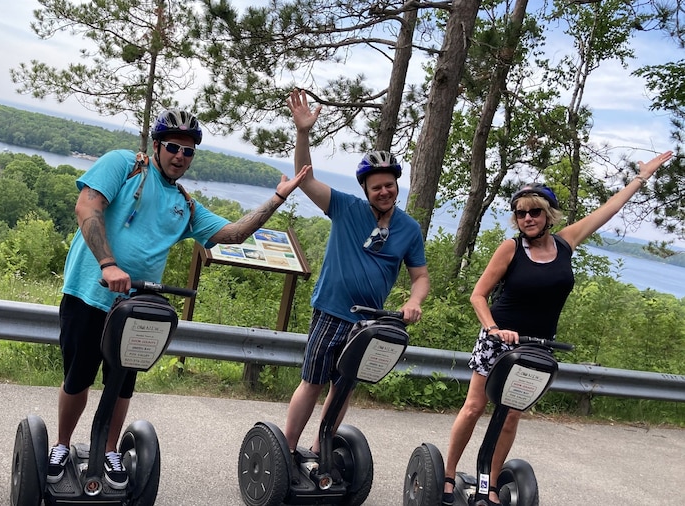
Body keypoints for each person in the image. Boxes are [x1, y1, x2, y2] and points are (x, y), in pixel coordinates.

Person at [48, 108, 310, 487]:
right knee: (78, 377)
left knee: (122, 383)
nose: (180, 157)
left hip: (136, 307)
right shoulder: (124, 165)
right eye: (173, 147)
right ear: (157, 145)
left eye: (188, 152)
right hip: (90, 294)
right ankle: (61, 444)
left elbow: (233, 234)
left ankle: (108, 450)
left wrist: (278, 198)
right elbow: (87, 206)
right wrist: (108, 264)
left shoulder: (185, 205)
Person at [441, 149, 673, 506]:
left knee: (511, 416)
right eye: (521, 213)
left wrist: (641, 178)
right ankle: (447, 474)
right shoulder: (510, 249)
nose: (528, 218)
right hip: (499, 340)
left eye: (535, 211)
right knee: (474, 407)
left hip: (537, 347)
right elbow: (478, 296)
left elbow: (608, 210)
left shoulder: (566, 243)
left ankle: (490, 484)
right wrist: (493, 329)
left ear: (548, 215)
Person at [282, 88, 430, 455]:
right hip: (331, 311)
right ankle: (286, 449)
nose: (385, 192)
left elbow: (420, 277)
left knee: (344, 386)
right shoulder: (346, 208)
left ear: (397, 185)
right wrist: (303, 132)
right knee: (313, 382)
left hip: (369, 322)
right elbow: (305, 179)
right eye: (377, 187)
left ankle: (320, 451)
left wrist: (414, 301)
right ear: (365, 189)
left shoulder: (409, 229)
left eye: (390, 185)